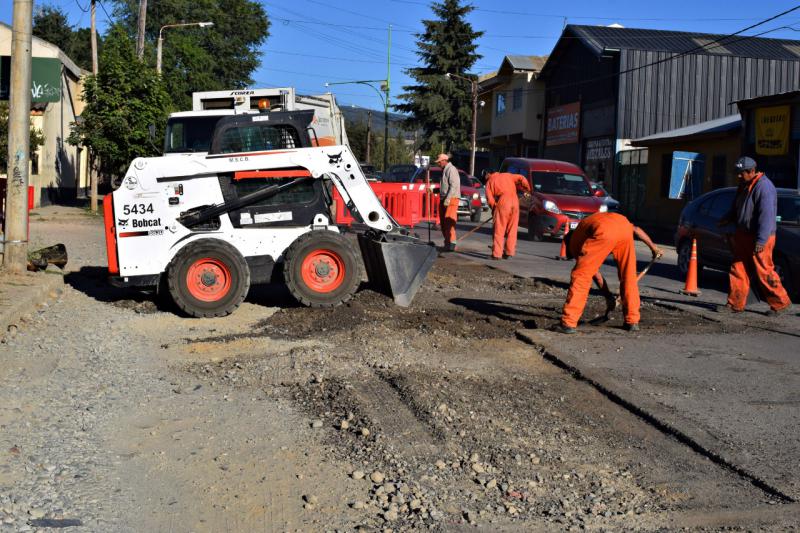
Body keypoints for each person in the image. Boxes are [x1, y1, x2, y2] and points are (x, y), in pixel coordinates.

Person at [552, 212, 662, 334]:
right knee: (628, 276)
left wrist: (607, 296)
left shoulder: (574, 244)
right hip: (624, 227)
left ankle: (568, 323)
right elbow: (635, 229)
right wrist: (653, 247)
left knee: (581, 275)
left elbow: (594, 274)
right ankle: (632, 321)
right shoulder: (586, 225)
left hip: (604, 230)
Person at [718, 157, 792, 316]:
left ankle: (781, 303)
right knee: (738, 268)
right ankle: (734, 304)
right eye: (737, 173)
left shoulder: (764, 187)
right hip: (744, 235)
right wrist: (728, 217)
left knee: (764, 271)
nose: (738, 176)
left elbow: (766, 215)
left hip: (760, 237)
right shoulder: (744, 185)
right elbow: (737, 207)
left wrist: (761, 240)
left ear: (751, 171)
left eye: (741, 173)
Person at [485, 171, 531, 260]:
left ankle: (497, 254)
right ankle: (509, 252)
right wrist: (527, 189)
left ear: (488, 174)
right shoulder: (507, 175)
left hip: (503, 202)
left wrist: (495, 208)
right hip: (515, 201)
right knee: (512, 229)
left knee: (499, 229)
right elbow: (521, 178)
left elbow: (489, 199)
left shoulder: (490, 182)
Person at [436, 153, 460, 252]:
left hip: (451, 199)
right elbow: (445, 187)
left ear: (444, 161)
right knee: (444, 222)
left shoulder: (451, 169)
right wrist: (435, 191)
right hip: (445, 198)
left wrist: (448, 198)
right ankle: (447, 242)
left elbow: (453, 186)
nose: (438, 164)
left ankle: (452, 243)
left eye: (439, 162)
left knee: (449, 221)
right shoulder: (445, 170)